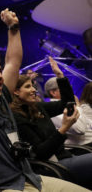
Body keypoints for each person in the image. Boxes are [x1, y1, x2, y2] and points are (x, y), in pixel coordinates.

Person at [0, 9, 89, 191]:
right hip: (1, 186)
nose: (0, 76)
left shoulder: (2, 99)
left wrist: (13, 27)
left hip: (29, 177)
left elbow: (13, 63)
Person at [11, 57, 92, 189]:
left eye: (33, 86)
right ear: (16, 91)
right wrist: (64, 128)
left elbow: (66, 103)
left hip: (65, 157)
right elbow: (41, 153)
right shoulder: (17, 117)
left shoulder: (37, 107)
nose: (34, 90)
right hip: (51, 166)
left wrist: (60, 76)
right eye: (28, 86)